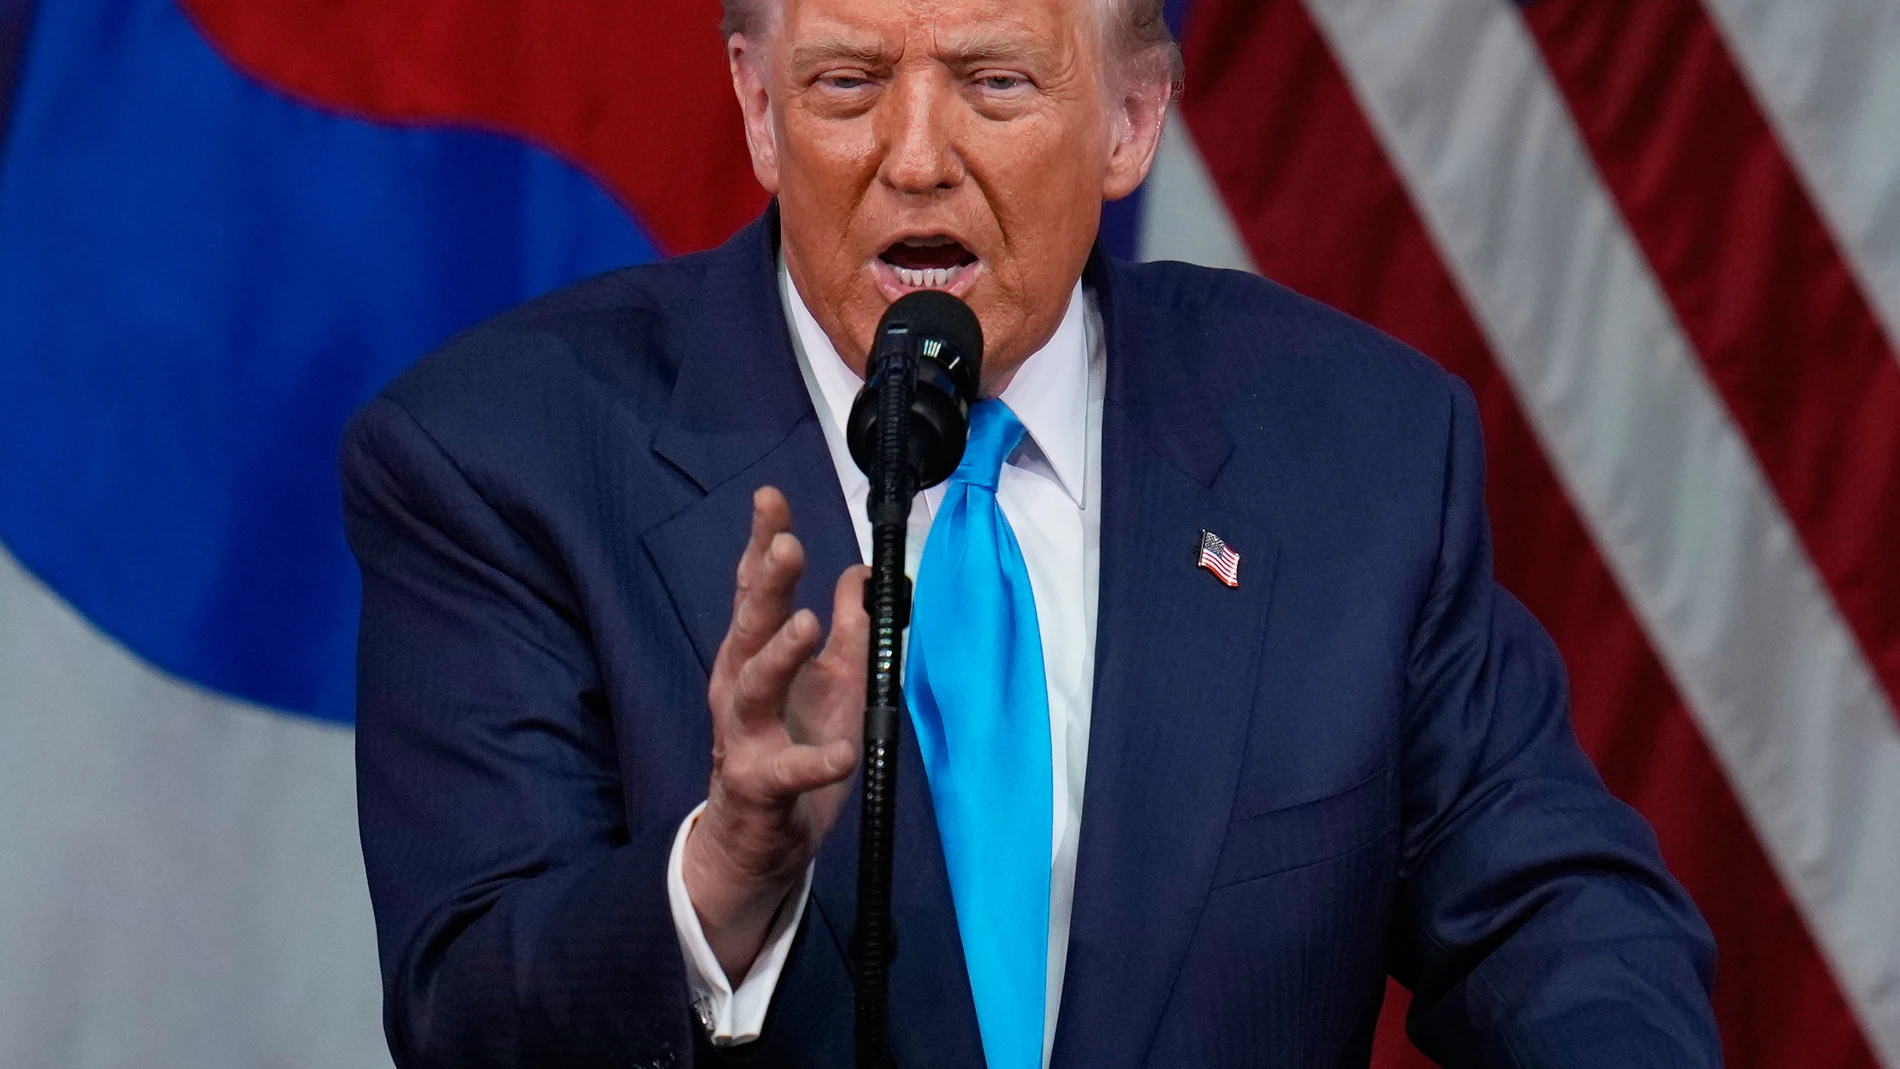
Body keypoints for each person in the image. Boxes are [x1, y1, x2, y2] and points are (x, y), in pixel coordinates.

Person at [341, 0, 1722, 1065]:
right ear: (759, 110)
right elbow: (467, 1015)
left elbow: (1558, 918)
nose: (916, 159)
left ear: (1131, 120)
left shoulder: (1350, 451)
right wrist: (724, 877)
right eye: (847, 84)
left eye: (995, 82)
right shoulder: (503, 460)